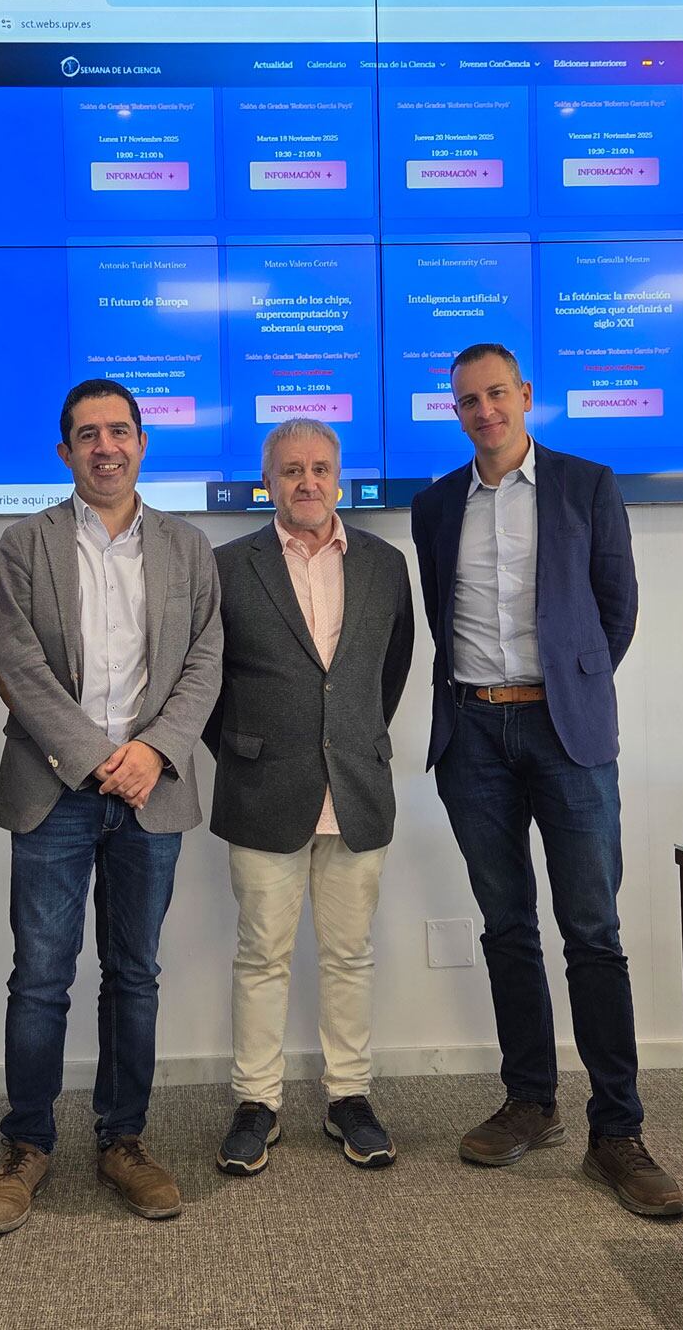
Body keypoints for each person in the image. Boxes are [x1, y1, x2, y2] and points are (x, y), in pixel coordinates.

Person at [408, 343, 683, 1218]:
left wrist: (569, 685)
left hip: (567, 732)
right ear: (455, 411)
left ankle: (619, 1130)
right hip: (472, 733)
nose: (484, 411)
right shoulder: (435, 504)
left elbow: (615, 611)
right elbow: (440, 616)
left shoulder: (586, 485)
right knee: (506, 926)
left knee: (593, 931)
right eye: (468, 400)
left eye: (497, 394)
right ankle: (530, 1100)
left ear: (525, 396)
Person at [0, 377, 223, 1235]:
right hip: (55, 789)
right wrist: (96, 760)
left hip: (153, 790)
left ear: (142, 444)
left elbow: (206, 661)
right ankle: (26, 1145)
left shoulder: (189, 546)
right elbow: (16, 662)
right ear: (65, 451)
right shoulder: (25, 543)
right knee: (41, 976)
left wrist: (152, 754)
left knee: (135, 975)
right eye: (88, 435)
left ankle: (124, 1140)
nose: (106, 447)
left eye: (120, 431)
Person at [203, 419, 413, 1176]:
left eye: (321, 468)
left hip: (356, 786)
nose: (307, 481)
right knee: (261, 954)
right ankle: (256, 1103)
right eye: (291, 469)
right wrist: (247, 749)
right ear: (268, 481)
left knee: (350, 954)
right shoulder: (228, 566)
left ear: (340, 477)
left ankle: (348, 1096)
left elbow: (390, 671)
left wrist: (349, 739)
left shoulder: (386, 565)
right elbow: (207, 684)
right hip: (263, 789)